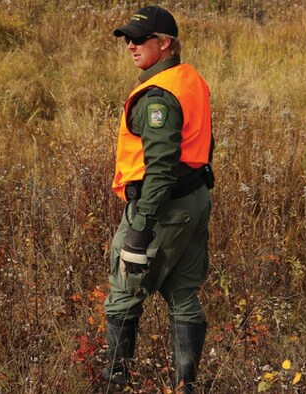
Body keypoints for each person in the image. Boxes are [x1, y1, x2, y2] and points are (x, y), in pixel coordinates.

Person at [102, 5, 214, 392]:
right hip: (194, 199)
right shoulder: (189, 78)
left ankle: (115, 383)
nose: (130, 45)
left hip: (162, 209)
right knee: (183, 294)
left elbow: (162, 167)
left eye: (139, 39)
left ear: (164, 43)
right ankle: (186, 385)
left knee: (124, 294)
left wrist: (139, 228)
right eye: (127, 39)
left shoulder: (158, 96)